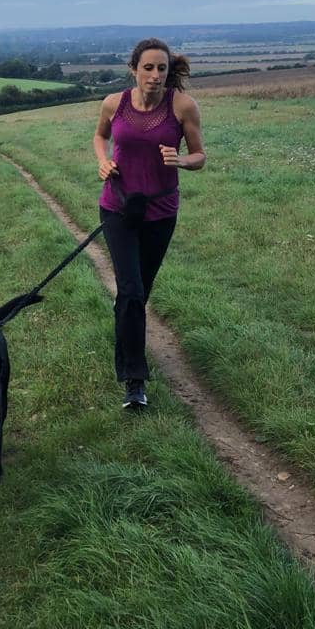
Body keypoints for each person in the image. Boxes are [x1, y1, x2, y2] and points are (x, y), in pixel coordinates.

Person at [93, 38, 206, 409]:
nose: (155, 75)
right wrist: (103, 161)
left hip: (160, 211)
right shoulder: (115, 103)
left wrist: (181, 161)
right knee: (131, 291)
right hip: (118, 208)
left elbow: (199, 155)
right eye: (148, 68)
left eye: (162, 68)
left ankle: (126, 326)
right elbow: (100, 136)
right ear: (134, 70)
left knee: (138, 292)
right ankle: (134, 381)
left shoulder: (183, 106)